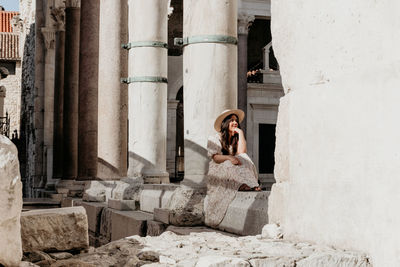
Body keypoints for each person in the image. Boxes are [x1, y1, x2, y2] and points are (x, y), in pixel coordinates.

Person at [204, 109, 261, 227]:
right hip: (219, 167)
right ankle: (243, 184)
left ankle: (251, 184)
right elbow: (215, 158)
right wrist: (229, 158)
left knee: (245, 159)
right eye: (232, 120)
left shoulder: (236, 138)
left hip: (234, 165)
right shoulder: (214, 138)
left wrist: (240, 133)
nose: (235, 123)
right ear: (225, 123)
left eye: (236, 121)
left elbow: (241, 153)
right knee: (228, 164)